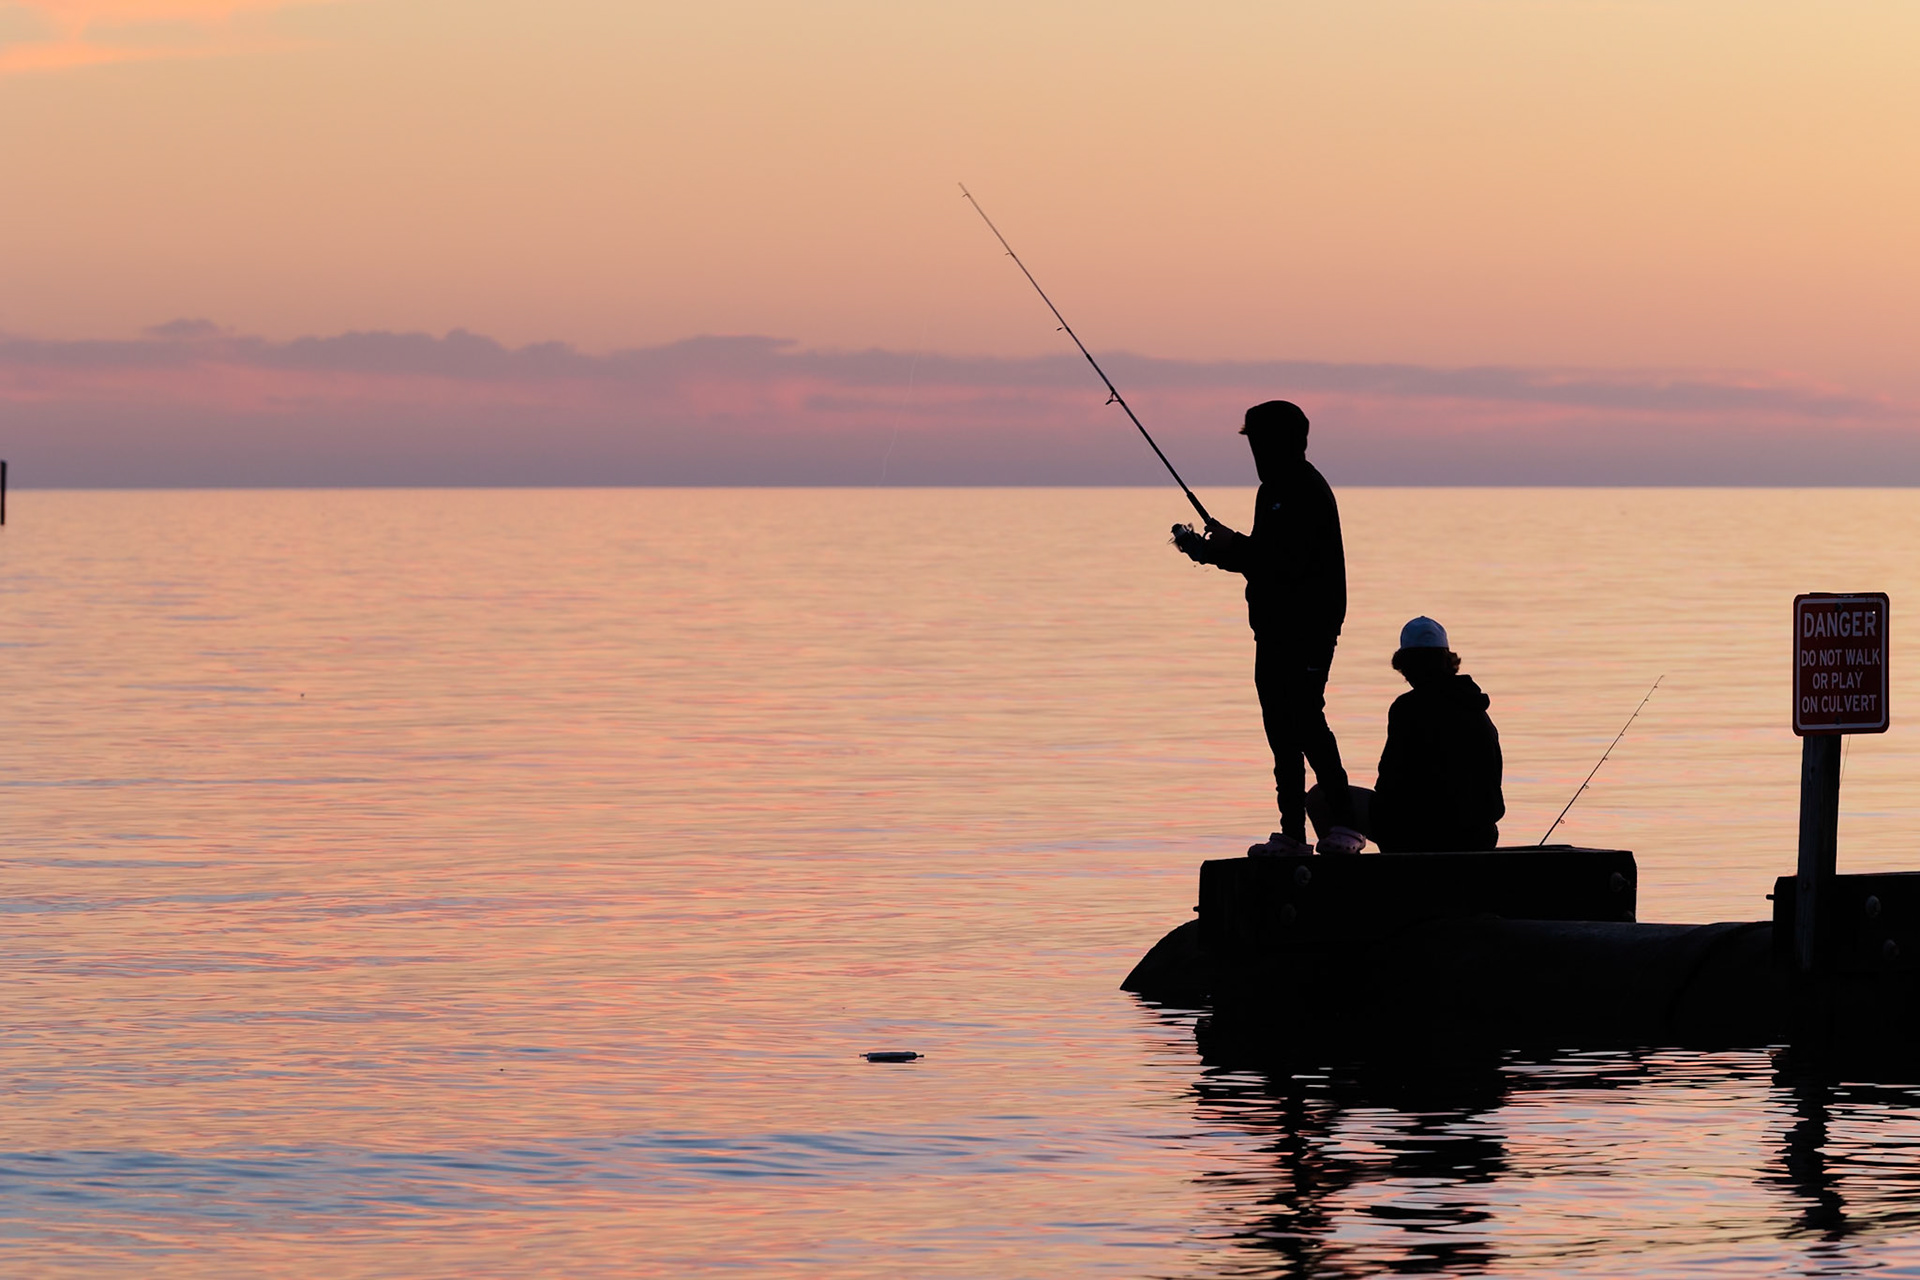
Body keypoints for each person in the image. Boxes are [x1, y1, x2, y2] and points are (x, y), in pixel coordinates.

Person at [1171, 400, 1361, 856]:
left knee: (1307, 720)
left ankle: (1346, 828)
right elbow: (1264, 561)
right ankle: (1293, 834)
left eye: (1258, 442)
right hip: (1273, 630)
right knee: (1280, 728)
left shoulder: (1305, 489)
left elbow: (1286, 562)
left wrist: (1234, 546)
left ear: (1284, 443)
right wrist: (1208, 551)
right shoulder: (1272, 490)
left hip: (1310, 629)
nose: (1253, 451)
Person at [1307, 616, 1504, 852]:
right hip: (1479, 836)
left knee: (1320, 798)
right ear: (1447, 662)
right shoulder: (1478, 709)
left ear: (1405, 665)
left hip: (1420, 832)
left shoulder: (1407, 708)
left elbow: (1389, 781)